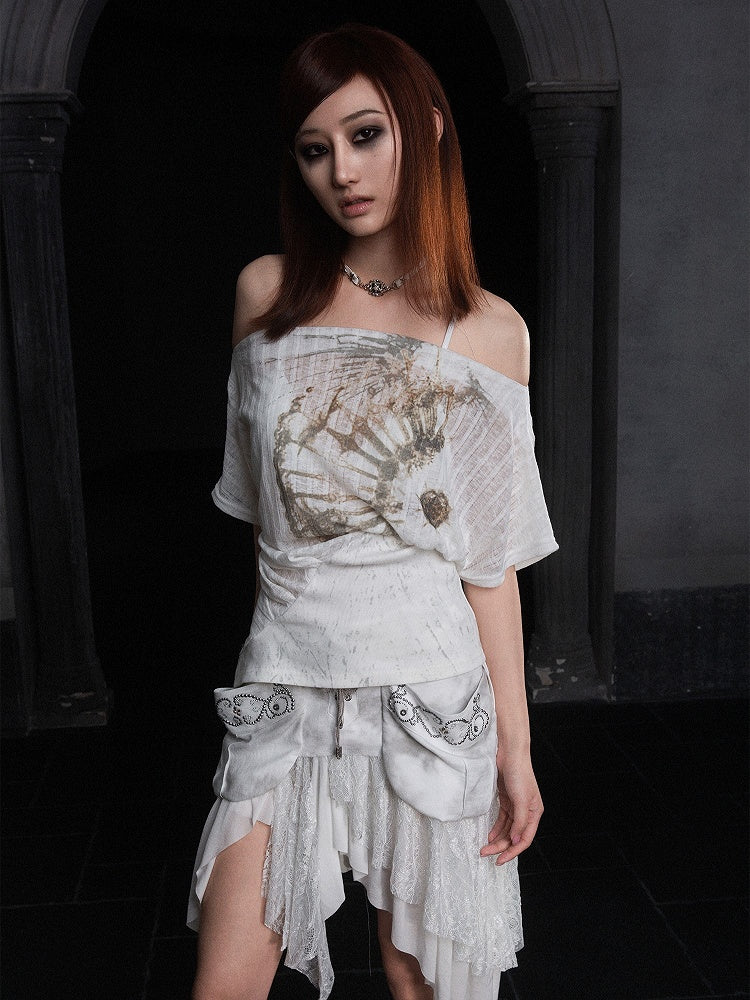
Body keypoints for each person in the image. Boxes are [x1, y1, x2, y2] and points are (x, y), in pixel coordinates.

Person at [188, 23, 557, 1000]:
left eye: (365, 135)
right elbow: (266, 525)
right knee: (224, 983)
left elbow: (489, 563)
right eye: (315, 149)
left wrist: (516, 752)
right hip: (286, 688)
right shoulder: (265, 297)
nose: (342, 172)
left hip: (430, 696)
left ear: (425, 128)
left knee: (423, 982)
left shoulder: (490, 331)